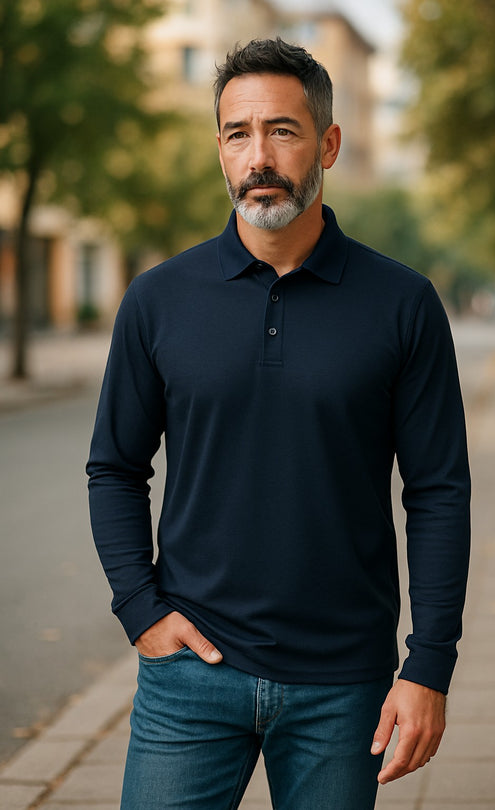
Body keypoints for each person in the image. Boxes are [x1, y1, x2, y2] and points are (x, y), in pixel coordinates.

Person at [87, 37, 470, 810]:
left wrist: (429, 664)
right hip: (190, 676)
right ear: (221, 150)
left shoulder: (402, 304)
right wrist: (140, 610)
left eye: (282, 131)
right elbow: (116, 467)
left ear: (327, 142)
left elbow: (437, 491)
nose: (258, 156)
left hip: (343, 685)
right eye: (238, 133)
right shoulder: (158, 300)